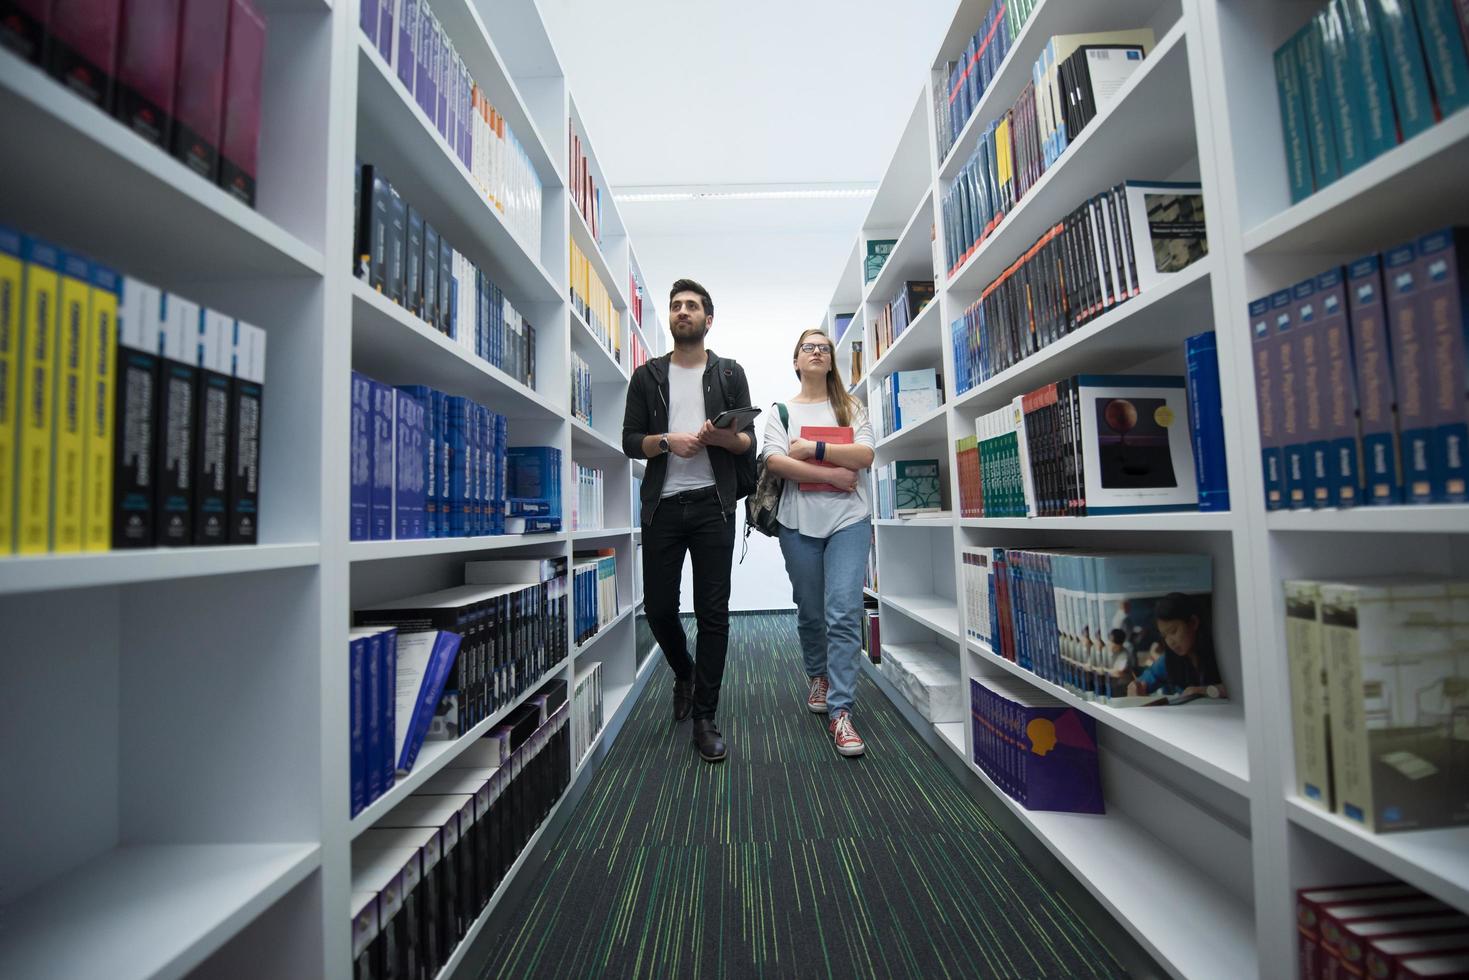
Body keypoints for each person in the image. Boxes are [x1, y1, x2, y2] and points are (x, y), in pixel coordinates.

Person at [621, 279, 757, 762]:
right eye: (676, 306)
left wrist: (721, 439)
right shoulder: (647, 376)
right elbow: (630, 440)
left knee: (712, 613)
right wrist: (667, 442)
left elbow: (748, 444)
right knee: (658, 608)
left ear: (707, 319)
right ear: (671, 319)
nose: (683, 312)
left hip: (712, 505)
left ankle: (705, 715)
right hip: (662, 505)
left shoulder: (729, 373)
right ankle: (684, 671)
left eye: (692, 306)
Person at [761, 329, 876, 757]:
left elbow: (864, 457)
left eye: (823, 348)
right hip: (797, 524)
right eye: (808, 347)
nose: (816, 352)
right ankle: (819, 674)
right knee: (811, 610)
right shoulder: (781, 411)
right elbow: (775, 461)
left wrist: (812, 448)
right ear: (796, 360)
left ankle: (841, 711)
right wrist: (831, 473)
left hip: (850, 521)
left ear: (831, 361)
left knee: (843, 612)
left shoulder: (851, 407)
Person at [1126, 592, 1227, 700]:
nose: (1170, 642)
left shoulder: (1223, 650)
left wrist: (1204, 691)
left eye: (1173, 631)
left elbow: (1241, 687)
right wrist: (1135, 687)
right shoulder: (1169, 659)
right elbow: (1147, 679)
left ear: (1193, 622)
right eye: (1164, 636)